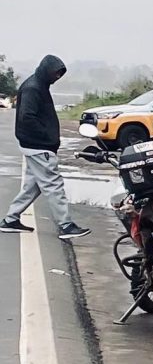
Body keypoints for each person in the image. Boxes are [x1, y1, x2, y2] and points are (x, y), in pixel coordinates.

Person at [1, 55, 86, 239]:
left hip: (35, 145)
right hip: (38, 146)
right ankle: (65, 225)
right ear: (47, 70)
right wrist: (46, 136)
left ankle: (10, 219)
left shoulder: (39, 84)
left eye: (60, 74)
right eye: (56, 73)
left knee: (33, 186)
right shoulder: (33, 88)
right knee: (54, 184)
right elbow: (26, 117)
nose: (57, 77)